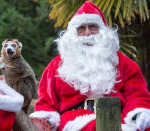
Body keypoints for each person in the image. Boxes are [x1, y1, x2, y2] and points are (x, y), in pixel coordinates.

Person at [30, 1, 150, 131]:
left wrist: (138, 112)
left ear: (102, 31)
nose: (88, 33)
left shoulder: (122, 62)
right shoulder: (57, 65)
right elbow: (46, 102)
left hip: (118, 119)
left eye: (93, 26)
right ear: (73, 33)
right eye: (81, 28)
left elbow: (137, 94)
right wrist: (48, 118)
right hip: (74, 121)